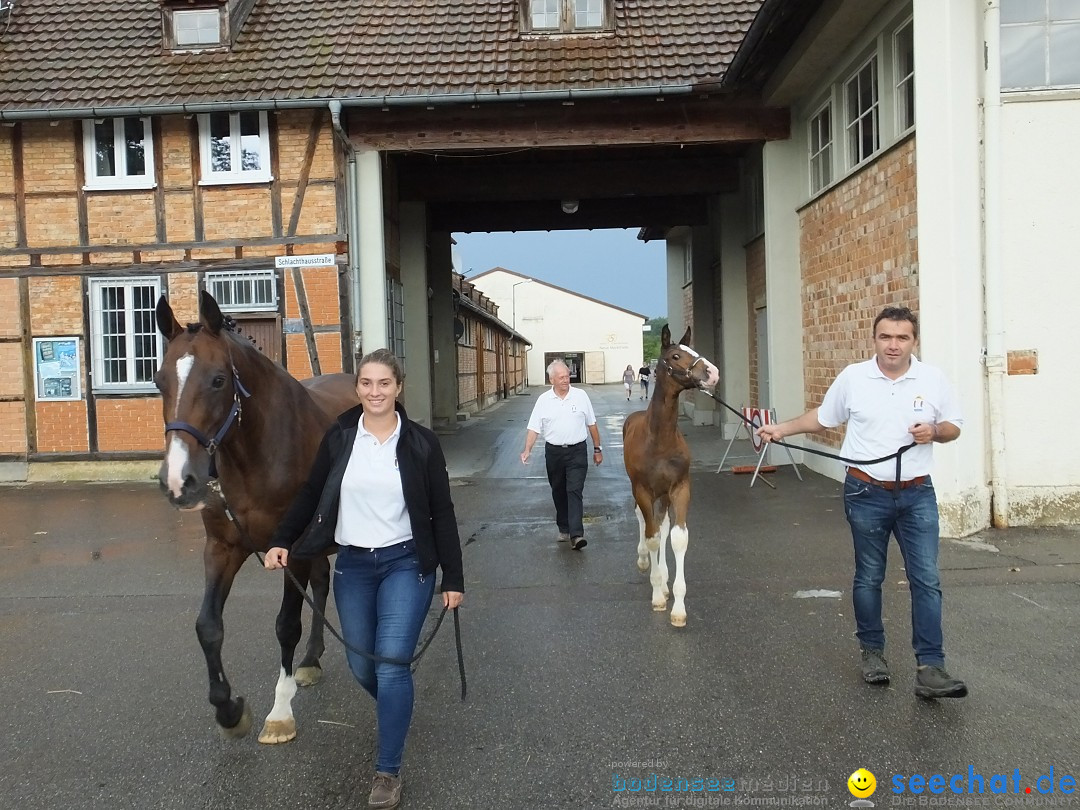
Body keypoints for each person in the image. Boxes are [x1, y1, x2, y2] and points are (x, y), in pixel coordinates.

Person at [264, 349, 464, 809]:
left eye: (384, 384)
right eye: (367, 384)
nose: (375, 392)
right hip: (353, 565)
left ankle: (387, 771)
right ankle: (398, 702)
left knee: (391, 664)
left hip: (406, 564)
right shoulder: (339, 437)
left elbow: (443, 512)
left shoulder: (421, 443)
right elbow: (312, 491)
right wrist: (282, 539)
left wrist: (453, 578)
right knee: (362, 666)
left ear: (399, 388)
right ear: (358, 388)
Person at [757, 306, 967, 700]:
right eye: (886, 336)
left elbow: (954, 425)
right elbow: (823, 417)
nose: (893, 345)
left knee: (927, 579)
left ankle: (931, 667)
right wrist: (780, 429)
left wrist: (935, 431)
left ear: (914, 341)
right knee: (870, 576)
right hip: (865, 492)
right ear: (874, 339)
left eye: (902, 337)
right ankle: (873, 654)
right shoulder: (854, 377)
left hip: (917, 493)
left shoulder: (933, 379)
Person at [520, 359, 603, 550]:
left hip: (577, 451)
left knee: (574, 490)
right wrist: (527, 450)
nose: (566, 380)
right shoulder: (543, 400)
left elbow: (592, 424)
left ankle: (576, 534)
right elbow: (534, 428)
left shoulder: (581, 396)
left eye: (567, 376)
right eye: (562, 377)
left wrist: (597, 449)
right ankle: (563, 527)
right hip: (554, 452)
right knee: (558, 490)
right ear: (552, 380)